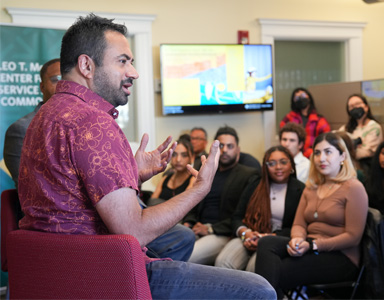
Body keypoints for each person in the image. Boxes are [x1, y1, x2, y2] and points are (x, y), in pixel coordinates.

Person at [18, 14, 275, 299]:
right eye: (123, 61)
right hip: (101, 270)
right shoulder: (94, 123)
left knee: (179, 240)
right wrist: (200, 188)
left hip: (53, 267)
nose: (134, 72)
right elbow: (134, 231)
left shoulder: (44, 116)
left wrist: (132, 174)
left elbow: (69, 188)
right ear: (86, 65)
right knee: (259, 289)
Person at [255, 132, 368, 299]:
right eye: (317, 153)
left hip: (341, 257)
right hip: (310, 247)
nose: (321, 158)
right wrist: (296, 239)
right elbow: (299, 224)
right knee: (266, 242)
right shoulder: (312, 186)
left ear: (342, 156)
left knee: (279, 271)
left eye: (328, 152)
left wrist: (314, 246)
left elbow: (353, 237)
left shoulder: (353, 187)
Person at [215, 146, 304, 272]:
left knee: (254, 269)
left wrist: (266, 237)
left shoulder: (300, 190)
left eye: (283, 162)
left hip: (277, 240)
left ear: (291, 165)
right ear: (265, 167)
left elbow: (299, 227)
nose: (278, 167)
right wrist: (246, 234)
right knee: (223, 262)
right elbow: (237, 217)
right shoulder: (255, 184)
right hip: (249, 234)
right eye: (272, 163)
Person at [183, 125, 260, 265]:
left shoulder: (249, 175)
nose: (225, 150)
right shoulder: (208, 171)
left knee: (187, 257)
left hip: (222, 233)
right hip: (197, 228)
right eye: (221, 146)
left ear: (238, 149)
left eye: (230, 146)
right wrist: (189, 223)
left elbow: (242, 214)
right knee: (165, 250)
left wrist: (210, 229)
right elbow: (193, 202)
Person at [4, 58, 61, 189]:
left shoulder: (85, 125)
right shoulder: (22, 129)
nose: (62, 85)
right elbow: (32, 190)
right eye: (56, 79)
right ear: (42, 87)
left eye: (68, 81)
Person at [280, 87, 331, 158]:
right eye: (297, 97)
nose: (300, 98)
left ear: (309, 97)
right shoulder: (289, 118)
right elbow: (283, 137)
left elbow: (327, 140)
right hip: (292, 156)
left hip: (314, 156)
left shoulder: (319, 120)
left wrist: (313, 152)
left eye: (303, 95)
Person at [338, 93, 383, 172]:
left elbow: (366, 152)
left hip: (365, 168)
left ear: (366, 107)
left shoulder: (374, 127)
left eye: (358, 104)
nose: (355, 107)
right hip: (346, 166)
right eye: (351, 106)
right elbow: (336, 141)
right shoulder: (345, 128)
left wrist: (345, 152)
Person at [149, 138, 196, 205]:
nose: (178, 160)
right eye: (174, 155)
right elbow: (151, 203)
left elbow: (183, 206)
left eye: (184, 155)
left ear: (192, 157)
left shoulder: (193, 179)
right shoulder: (165, 179)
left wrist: (159, 204)